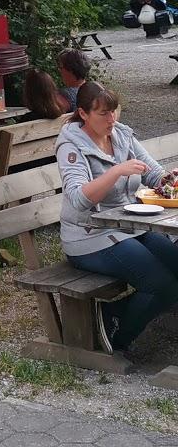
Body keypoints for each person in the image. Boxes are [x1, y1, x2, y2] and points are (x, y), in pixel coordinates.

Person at [58, 81, 178, 356]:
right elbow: (78, 199)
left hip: (129, 226)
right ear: (84, 114)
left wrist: (170, 178)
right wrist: (116, 172)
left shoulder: (122, 134)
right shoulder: (71, 146)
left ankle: (112, 312)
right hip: (89, 236)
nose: (111, 119)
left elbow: (153, 173)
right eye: (103, 113)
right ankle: (117, 339)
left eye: (114, 111)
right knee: (159, 284)